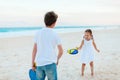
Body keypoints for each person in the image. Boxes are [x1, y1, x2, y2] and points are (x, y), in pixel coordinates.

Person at [32, 11, 63, 80]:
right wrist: (57, 59)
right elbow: (61, 51)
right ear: (54, 23)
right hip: (50, 63)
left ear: (45, 21)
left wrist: (33, 64)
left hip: (39, 64)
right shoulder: (55, 34)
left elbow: (34, 50)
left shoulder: (38, 33)